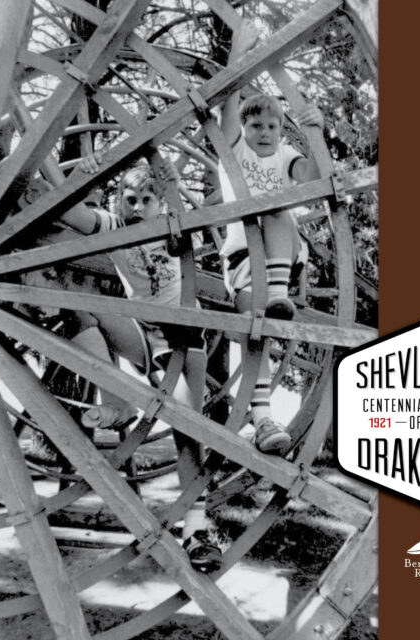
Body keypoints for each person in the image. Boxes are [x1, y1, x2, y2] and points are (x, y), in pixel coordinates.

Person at [60, 156, 222, 573]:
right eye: (129, 199)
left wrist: (170, 196)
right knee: (79, 310)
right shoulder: (112, 227)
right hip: (146, 335)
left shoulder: (168, 226)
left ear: (158, 202)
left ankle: (197, 528)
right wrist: (85, 172)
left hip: (185, 336)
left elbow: (179, 236)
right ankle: (118, 403)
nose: (137, 206)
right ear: (119, 200)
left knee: (188, 427)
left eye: (146, 199)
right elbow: (69, 212)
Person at [217, 19, 325, 454]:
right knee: (252, 334)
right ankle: (262, 419)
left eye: (272, 127)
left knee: (278, 209)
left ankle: (278, 293)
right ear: (244, 129)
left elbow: (314, 176)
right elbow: (227, 106)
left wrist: (314, 130)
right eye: (256, 125)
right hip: (243, 261)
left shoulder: (285, 156)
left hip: (279, 257)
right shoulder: (234, 152)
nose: (264, 133)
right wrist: (237, 57)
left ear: (282, 132)